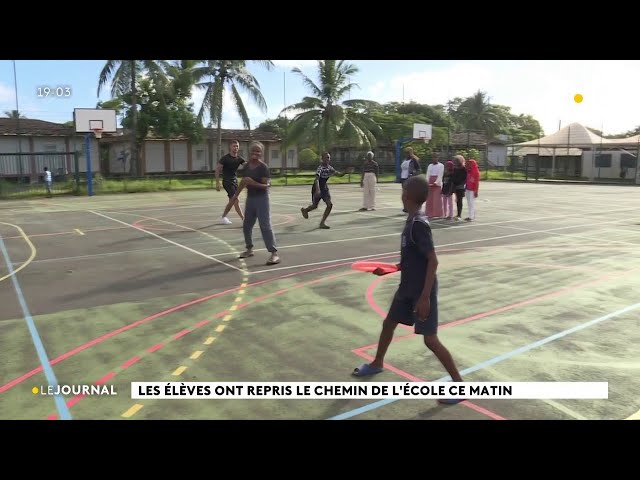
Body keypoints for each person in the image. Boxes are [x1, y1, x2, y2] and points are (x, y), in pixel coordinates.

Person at [351, 175, 464, 404]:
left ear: (408, 196)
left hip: (422, 291)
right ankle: (377, 363)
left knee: (430, 340)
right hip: (407, 288)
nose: (401, 195)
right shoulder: (411, 220)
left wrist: (425, 298)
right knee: (388, 324)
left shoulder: (419, 225)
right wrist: (392, 268)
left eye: (403, 191)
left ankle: (460, 386)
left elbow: (433, 261)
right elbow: (414, 259)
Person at [229, 141, 280, 265]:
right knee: (247, 225)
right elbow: (243, 182)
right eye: (253, 150)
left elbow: (266, 186)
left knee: (265, 226)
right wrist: (235, 195)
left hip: (262, 199)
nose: (255, 153)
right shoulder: (246, 166)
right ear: (250, 152)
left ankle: (274, 254)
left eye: (258, 151)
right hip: (250, 199)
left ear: (261, 153)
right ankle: (249, 249)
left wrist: (253, 183)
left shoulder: (263, 168)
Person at [300, 152, 345, 229]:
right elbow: (316, 180)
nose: (328, 159)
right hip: (317, 187)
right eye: (326, 157)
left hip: (324, 187)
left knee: (329, 205)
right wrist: (317, 190)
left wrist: (346, 171)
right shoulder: (320, 168)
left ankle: (322, 223)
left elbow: (339, 174)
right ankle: (305, 210)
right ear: (322, 159)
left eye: (329, 158)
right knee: (315, 206)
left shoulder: (330, 168)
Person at [217, 139, 246, 225]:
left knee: (233, 201)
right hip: (227, 181)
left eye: (237, 146)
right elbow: (218, 170)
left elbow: (247, 166)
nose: (235, 148)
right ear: (230, 147)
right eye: (234, 146)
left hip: (234, 182)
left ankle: (223, 217)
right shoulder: (225, 158)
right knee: (235, 200)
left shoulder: (239, 159)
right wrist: (217, 183)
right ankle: (244, 219)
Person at [425, 153, 444, 218]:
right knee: (429, 198)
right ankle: (429, 213)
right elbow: (428, 174)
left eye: (436, 157)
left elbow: (440, 175)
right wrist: (427, 182)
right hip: (430, 182)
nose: (434, 159)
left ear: (438, 158)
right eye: (433, 157)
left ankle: (437, 213)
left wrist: (436, 182)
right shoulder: (430, 165)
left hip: (437, 183)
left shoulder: (441, 165)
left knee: (437, 199)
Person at [452, 155, 467, 221]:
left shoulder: (464, 169)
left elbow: (464, 178)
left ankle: (459, 214)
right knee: (457, 200)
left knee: (459, 201)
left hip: (460, 187)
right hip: (456, 186)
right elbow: (453, 177)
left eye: (457, 161)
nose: (456, 162)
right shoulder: (455, 169)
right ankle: (458, 214)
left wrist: (459, 182)